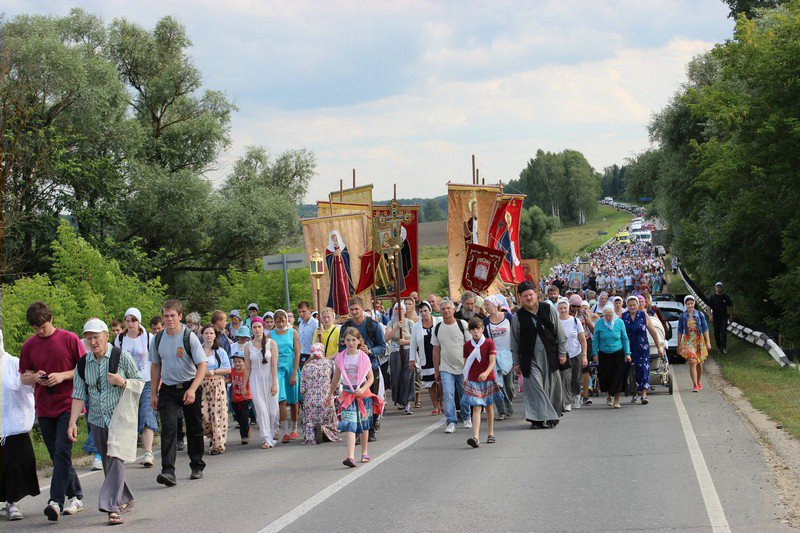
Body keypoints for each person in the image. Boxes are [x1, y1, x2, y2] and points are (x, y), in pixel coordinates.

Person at [69, 318, 142, 525]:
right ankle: (125, 497)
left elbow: (140, 382)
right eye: (88, 338)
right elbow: (78, 394)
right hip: (97, 419)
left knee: (116, 458)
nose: (93, 342)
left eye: (96, 337)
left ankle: (111, 506)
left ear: (106, 336)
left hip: (120, 418)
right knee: (109, 462)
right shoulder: (83, 363)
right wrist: (72, 422)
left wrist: (124, 382)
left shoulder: (121, 357)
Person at [18, 301, 85, 520]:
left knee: (61, 452)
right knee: (57, 456)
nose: (39, 331)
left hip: (69, 404)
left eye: (42, 326)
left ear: (51, 319)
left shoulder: (69, 339)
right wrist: (36, 377)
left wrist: (63, 375)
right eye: (35, 328)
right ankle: (76, 495)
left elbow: (86, 368)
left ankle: (55, 501)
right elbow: (23, 377)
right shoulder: (29, 345)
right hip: (44, 407)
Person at [149, 299, 207, 486]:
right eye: (166, 316)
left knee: (194, 427)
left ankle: (197, 465)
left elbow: (202, 365)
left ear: (180, 316)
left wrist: (192, 389)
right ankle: (168, 471)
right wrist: (153, 393)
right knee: (169, 428)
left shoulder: (188, 337)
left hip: (190, 384)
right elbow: (156, 365)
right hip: (168, 388)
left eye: (173, 315)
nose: (169, 319)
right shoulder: (158, 339)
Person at [511, 282, 567, 429]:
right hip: (530, 358)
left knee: (550, 387)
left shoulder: (548, 309)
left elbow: (559, 332)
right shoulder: (518, 316)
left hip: (549, 355)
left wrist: (562, 353)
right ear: (520, 298)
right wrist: (516, 362)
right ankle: (538, 419)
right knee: (535, 387)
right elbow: (515, 341)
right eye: (525, 296)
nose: (529, 298)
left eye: (531, 294)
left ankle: (548, 416)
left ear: (536, 294)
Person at [326, 328, 384, 467]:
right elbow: (336, 377)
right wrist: (330, 394)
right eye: (348, 340)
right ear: (344, 341)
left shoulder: (363, 357)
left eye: (353, 340)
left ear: (359, 341)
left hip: (362, 393)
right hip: (347, 393)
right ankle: (350, 456)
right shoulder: (341, 357)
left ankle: (364, 452)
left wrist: (363, 389)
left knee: (364, 425)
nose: (351, 343)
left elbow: (370, 378)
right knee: (350, 424)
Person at [1, 329, 40, 522]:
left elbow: (28, 388)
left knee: (14, 465)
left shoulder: (13, 363)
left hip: (13, 423)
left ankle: (12, 502)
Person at [338, 296, 387, 443]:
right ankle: (357, 430)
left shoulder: (373, 325)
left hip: (369, 367)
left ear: (362, 308)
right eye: (351, 309)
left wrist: (370, 351)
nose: (354, 312)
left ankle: (370, 428)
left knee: (369, 399)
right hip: (351, 370)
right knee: (353, 399)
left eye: (356, 309)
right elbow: (340, 348)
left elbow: (383, 347)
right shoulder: (345, 327)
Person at [114, 308, 157, 468]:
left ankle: (148, 452)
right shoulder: (120, 339)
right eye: (128, 320)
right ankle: (127, 450)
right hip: (126, 382)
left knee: (146, 413)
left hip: (145, 380)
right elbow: (117, 360)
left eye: (133, 320)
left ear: (139, 321)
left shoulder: (149, 338)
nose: (130, 323)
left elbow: (155, 360)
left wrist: (156, 381)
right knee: (128, 416)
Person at [461, 318, 505, 448]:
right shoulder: (467, 345)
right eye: (472, 330)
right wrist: (465, 376)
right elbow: (466, 362)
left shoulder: (489, 343)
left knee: (489, 406)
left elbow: (492, 362)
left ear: (482, 329)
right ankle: (475, 437)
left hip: (488, 378)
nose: (475, 332)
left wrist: (486, 373)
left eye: (478, 329)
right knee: (476, 406)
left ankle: (491, 433)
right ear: (469, 331)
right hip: (473, 379)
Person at [431, 298, 471, 434]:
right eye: (443, 309)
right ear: (440, 311)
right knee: (448, 394)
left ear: (454, 309)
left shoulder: (463, 324)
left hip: (463, 367)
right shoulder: (437, 328)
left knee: (463, 393)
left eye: (449, 308)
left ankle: (466, 417)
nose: (446, 311)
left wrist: (470, 366)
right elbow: (436, 350)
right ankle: (451, 421)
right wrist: (437, 369)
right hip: (445, 368)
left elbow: (471, 346)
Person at [245, 317, 280, 448]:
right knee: (261, 410)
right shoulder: (248, 346)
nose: (257, 329)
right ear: (251, 329)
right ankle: (266, 438)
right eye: (254, 327)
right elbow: (247, 368)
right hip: (255, 380)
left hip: (270, 378)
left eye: (259, 327)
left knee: (272, 410)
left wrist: (275, 383)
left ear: (263, 327)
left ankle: (273, 432)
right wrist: (244, 385)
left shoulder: (271, 343)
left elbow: (274, 364)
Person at [621, 296, 664, 405]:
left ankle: (644, 394)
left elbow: (653, 331)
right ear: (627, 306)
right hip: (628, 347)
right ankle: (633, 391)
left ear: (638, 305)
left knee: (643, 368)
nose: (632, 307)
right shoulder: (623, 316)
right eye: (630, 305)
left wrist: (659, 347)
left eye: (634, 305)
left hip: (642, 347)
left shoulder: (643, 315)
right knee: (628, 369)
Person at [299, 343, 341, 445]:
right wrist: (336, 393)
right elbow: (336, 381)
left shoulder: (306, 367)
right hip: (326, 398)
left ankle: (312, 433)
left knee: (310, 420)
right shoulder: (330, 364)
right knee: (329, 422)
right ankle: (323, 430)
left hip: (310, 401)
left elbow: (302, 389)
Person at [592, 305, 631, 409]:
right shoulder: (599, 323)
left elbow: (624, 338)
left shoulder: (619, 322)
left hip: (617, 353)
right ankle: (609, 395)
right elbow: (595, 338)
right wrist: (594, 353)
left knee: (617, 377)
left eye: (610, 315)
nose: (608, 317)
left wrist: (627, 353)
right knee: (606, 377)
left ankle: (617, 399)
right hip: (604, 354)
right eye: (605, 316)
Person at [483, 295, 515, 419]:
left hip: (509, 354)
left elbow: (516, 334)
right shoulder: (486, 322)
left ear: (495, 304)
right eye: (485, 305)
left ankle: (508, 403)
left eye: (487, 305)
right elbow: (485, 339)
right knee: (497, 384)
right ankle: (502, 411)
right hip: (494, 355)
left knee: (510, 386)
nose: (485, 307)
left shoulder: (508, 317)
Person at [200, 324, 231, 455]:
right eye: (206, 333)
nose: (208, 335)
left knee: (218, 415)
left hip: (217, 384)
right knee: (204, 415)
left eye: (211, 333)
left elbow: (228, 369)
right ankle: (212, 436)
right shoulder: (198, 351)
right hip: (202, 385)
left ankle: (218, 445)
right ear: (202, 335)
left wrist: (215, 371)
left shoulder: (220, 351)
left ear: (215, 335)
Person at [272, 310, 301, 443]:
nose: (281, 323)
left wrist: (294, 372)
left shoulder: (293, 332)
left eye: (283, 320)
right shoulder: (271, 335)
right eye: (278, 321)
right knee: (281, 399)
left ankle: (294, 429)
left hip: (291, 365)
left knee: (294, 400)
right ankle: (285, 431)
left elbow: (297, 352)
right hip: (278, 367)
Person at [410, 302, 444, 415]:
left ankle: (443, 403)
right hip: (426, 358)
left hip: (440, 356)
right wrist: (412, 359)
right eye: (421, 311)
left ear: (430, 310)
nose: (423, 313)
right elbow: (413, 344)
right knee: (431, 383)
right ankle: (435, 406)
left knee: (441, 382)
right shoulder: (416, 326)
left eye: (425, 310)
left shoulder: (439, 321)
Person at [557, 297, 588, 412]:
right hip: (563, 354)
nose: (563, 310)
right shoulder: (556, 321)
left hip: (576, 352)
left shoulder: (575, 321)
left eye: (565, 308)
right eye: (560, 308)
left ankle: (576, 396)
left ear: (568, 308)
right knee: (565, 377)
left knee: (576, 377)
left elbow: (583, 339)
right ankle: (567, 401)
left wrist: (584, 355)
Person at [385, 302, 415, 414]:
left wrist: (406, 341)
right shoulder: (391, 323)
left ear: (404, 310)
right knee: (396, 376)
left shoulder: (410, 323)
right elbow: (387, 337)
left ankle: (407, 402)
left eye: (400, 308)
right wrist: (397, 326)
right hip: (395, 352)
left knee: (408, 376)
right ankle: (400, 400)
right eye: (396, 309)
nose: (398, 311)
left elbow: (417, 339)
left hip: (407, 351)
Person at [678, 295, 711, 392]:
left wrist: (708, 342)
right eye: (688, 304)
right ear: (685, 304)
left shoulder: (700, 315)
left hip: (699, 341)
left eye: (691, 303)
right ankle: (695, 384)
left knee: (699, 363)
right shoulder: (682, 316)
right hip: (688, 341)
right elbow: (680, 331)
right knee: (692, 362)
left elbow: (705, 328)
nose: (690, 306)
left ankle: (699, 380)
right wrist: (679, 344)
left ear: (694, 303)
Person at [229, 351, 252, 444]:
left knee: (244, 416)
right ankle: (248, 428)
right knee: (238, 418)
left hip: (246, 398)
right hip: (235, 398)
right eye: (235, 361)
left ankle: (244, 436)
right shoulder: (232, 371)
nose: (237, 363)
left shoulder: (246, 372)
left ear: (244, 362)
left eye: (239, 361)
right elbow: (229, 380)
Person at [709, 282, 733, 354]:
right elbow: (708, 306)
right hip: (715, 318)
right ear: (715, 288)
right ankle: (719, 347)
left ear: (722, 288)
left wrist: (731, 316)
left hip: (724, 317)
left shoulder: (726, 297)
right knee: (716, 332)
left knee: (723, 332)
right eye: (717, 287)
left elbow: (730, 306)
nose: (718, 288)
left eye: (720, 287)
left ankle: (724, 347)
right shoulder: (712, 297)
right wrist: (710, 315)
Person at [297, 301, 319, 370]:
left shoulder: (315, 323)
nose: (301, 314)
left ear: (309, 310)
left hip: (312, 356)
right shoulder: (301, 324)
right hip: (302, 354)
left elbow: (317, 342)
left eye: (304, 311)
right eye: (299, 312)